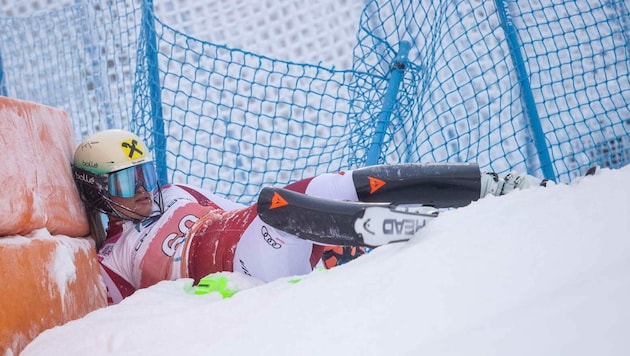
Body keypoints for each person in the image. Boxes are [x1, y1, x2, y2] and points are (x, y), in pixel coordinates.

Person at [72, 129, 549, 304]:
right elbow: (128, 319)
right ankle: (413, 228)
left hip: (259, 220)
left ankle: (489, 186)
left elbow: (223, 212)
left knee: (343, 183)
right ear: (98, 191)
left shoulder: (176, 192)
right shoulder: (115, 257)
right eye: (125, 182)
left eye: (146, 173)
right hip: (239, 264)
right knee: (281, 210)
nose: (144, 189)